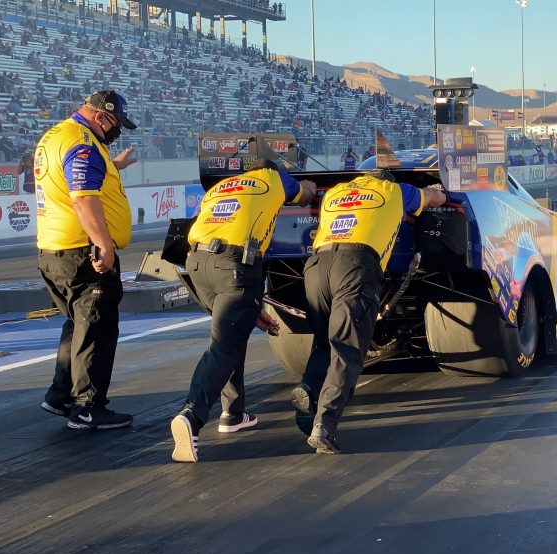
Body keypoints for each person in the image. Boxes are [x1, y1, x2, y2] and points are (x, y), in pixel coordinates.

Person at [170, 159, 317, 463]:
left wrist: (249, 309)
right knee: (224, 344)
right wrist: (309, 187)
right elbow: (303, 194)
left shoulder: (221, 187)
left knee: (228, 335)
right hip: (235, 266)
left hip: (197, 263)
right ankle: (192, 414)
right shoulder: (272, 179)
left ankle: (232, 413)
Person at [293, 169, 446, 454]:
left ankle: (309, 388)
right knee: (348, 349)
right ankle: (324, 425)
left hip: (316, 266)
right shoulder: (394, 191)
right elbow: (433, 198)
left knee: (324, 342)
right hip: (355, 266)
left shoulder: (336, 192)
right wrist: (441, 192)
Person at [36, 90, 138, 429]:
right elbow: (82, 197)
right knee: (97, 326)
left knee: (77, 324)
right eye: (116, 124)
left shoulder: (56, 135)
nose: (117, 132)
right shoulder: (83, 142)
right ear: (101, 117)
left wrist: (113, 166)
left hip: (54, 249)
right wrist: (103, 244)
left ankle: (60, 394)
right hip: (83, 252)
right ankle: (88, 407)